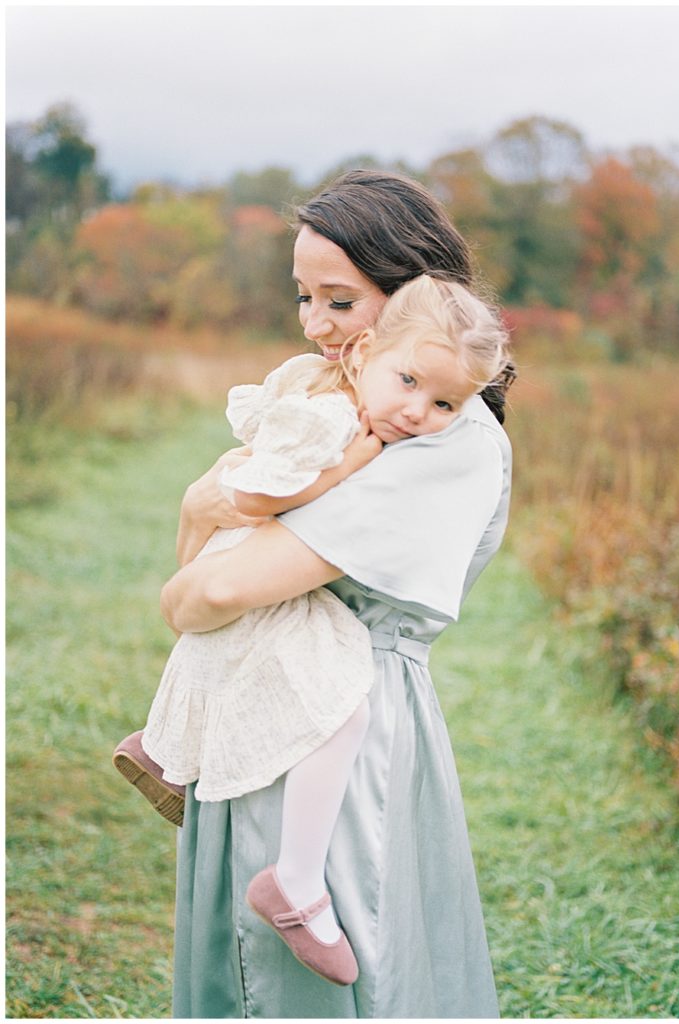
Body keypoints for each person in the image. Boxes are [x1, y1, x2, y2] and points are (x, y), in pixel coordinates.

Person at [160, 170, 514, 1018]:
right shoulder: (346, 409)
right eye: (303, 298)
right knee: (241, 975)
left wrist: (199, 525)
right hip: (271, 700)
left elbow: (211, 592)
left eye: (341, 302)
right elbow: (211, 566)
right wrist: (195, 517)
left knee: (320, 984)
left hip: (338, 720)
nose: (317, 326)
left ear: (409, 304)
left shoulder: (447, 438)